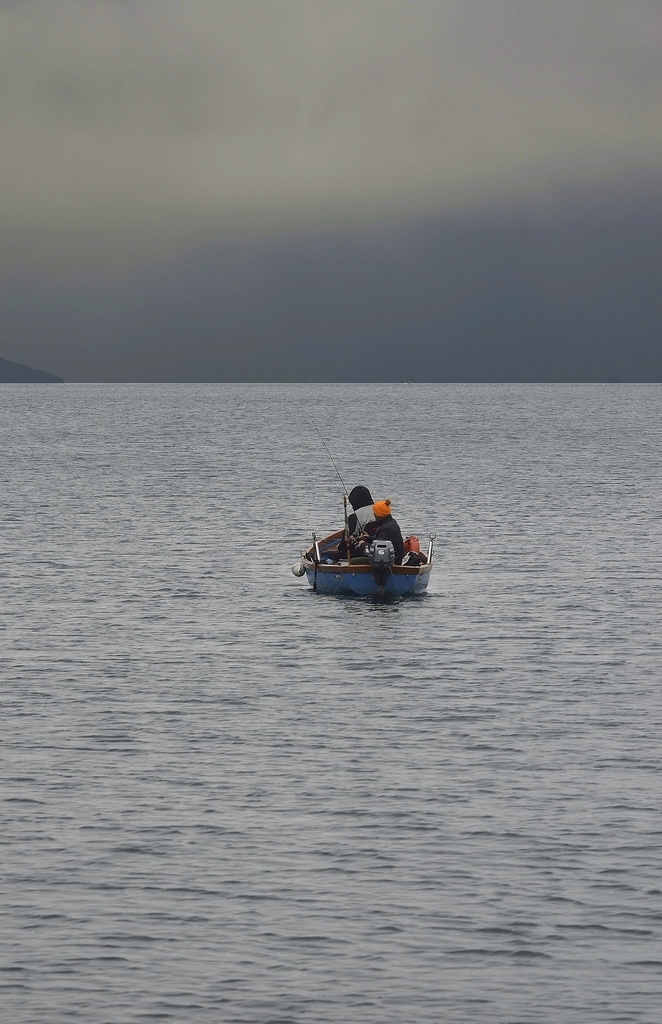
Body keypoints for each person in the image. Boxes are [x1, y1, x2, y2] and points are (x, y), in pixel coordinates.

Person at [336, 485, 375, 560]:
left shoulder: (354, 517)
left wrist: (339, 546)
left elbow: (344, 543)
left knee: (331, 554)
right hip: (380, 550)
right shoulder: (381, 512)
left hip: (361, 554)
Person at [360, 498, 405, 564]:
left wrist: (363, 544)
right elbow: (380, 541)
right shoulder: (389, 523)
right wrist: (368, 538)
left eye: (374, 512)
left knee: (354, 561)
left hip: (391, 562)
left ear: (378, 515)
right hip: (389, 559)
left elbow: (379, 550)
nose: (373, 514)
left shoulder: (387, 529)